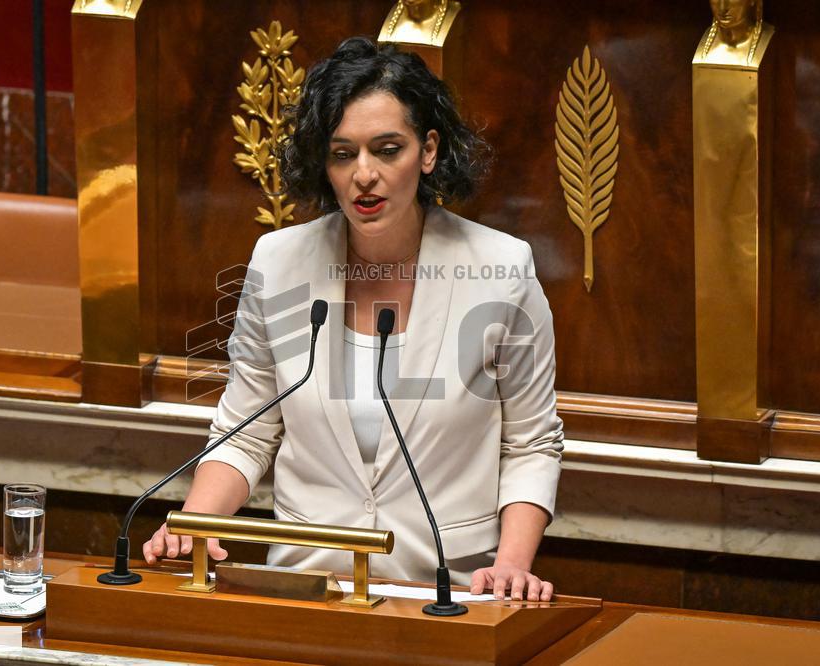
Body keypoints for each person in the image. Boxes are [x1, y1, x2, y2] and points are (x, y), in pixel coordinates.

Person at [143, 37, 562, 602]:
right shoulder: (279, 262)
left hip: (448, 589)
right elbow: (247, 432)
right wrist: (192, 524)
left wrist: (511, 566)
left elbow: (531, 443)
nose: (364, 174)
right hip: (307, 584)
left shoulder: (501, 269)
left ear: (429, 150)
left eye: (387, 149)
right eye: (343, 154)